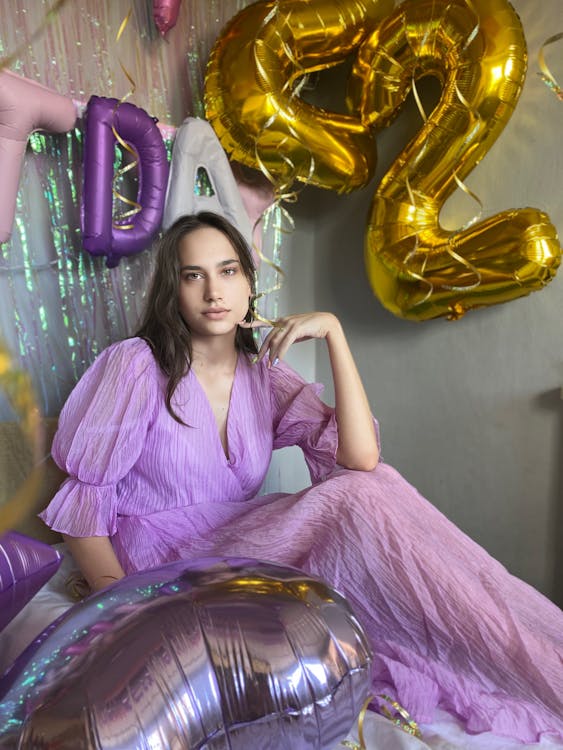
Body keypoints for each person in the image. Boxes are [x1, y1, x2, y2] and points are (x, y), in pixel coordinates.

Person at [39, 212, 563, 743]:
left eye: (228, 271)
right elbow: (84, 507)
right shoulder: (135, 365)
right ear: (170, 290)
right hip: (160, 562)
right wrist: (127, 615)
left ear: (249, 281)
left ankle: (526, 653)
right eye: (192, 275)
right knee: (352, 501)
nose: (213, 291)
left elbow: (359, 457)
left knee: (368, 488)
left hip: (234, 549)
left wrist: (335, 333)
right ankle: (525, 653)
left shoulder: (263, 373)